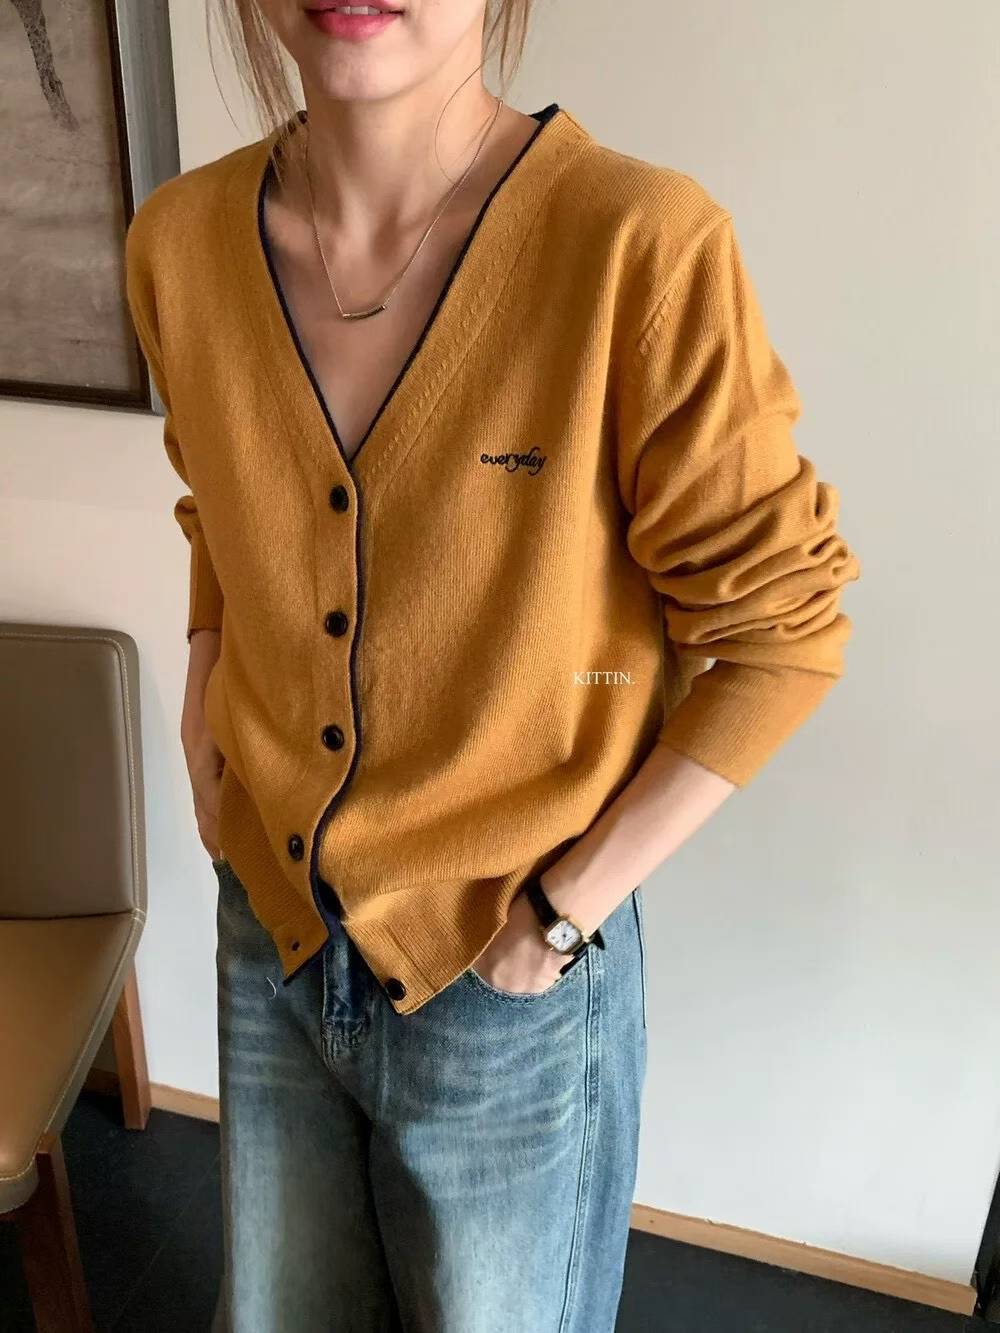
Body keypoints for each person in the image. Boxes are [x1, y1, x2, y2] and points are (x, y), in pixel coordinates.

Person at [123, 0, 861, 1328]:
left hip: (507, 965)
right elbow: (217, 499)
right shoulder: (177, 244)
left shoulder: (636, 248)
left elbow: (783, 628)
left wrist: (565, 914)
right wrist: (202, 690)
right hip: (272, 927)